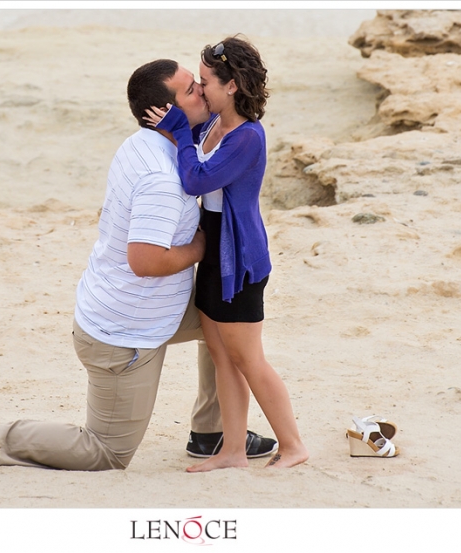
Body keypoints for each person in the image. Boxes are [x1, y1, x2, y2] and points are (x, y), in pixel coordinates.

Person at [0, 59, 277, 471]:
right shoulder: (162, 178)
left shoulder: (146, 142)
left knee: (223, 324)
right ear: (165, 114)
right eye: (191, 90)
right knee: (106, 452)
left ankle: (210, 433)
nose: (202, 90)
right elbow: (146, 261)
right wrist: (202, 247)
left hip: (151, 303)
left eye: (200, 84)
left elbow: (220, 142)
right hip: (126, 331)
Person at [144, 36, 309, 471]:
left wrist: (180, 131)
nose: (200, 90)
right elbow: (180, 149)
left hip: (240, 257)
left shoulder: (247, 137)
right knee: (222, 358)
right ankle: (233, 451)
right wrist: (166, 121)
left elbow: (196, 180)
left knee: (249, 360)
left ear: (231, 85)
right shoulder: (212, 125)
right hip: (213, 250)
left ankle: (293, 446)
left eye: (205, 82)